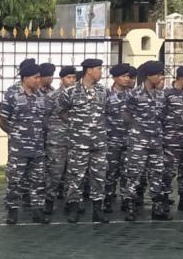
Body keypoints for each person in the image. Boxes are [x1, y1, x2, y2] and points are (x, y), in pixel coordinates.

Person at [58, 58, 109, 224]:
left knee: (99, 176)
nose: (101, 72)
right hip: (78, 143)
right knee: (75, 177)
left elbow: (107, 112)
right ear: (89, 71)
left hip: (99, 143)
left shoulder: (103, 91)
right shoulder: (71, 91)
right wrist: (75, 126)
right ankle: (74, 208)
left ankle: (98, 210)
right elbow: (61, 111)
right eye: (99, 69)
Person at [0, 60, 48, 225]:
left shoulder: (41, 96)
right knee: (15, 180)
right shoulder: (13, 95)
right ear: (25, 78)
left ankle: (37, 210)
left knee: (38, 180)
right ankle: (12, 211)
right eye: (35, 77)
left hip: (38, 148)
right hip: (19, 148)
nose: (38, 80)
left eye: (39, 77)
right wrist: (14, 135)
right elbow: (2, 120)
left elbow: (44, 119)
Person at [122, 60, 168, 222]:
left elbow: (163, 116)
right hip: (138, 142)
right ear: (149, 76)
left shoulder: (161, 95)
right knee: (134, 174)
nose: (161, 77)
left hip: (156, 141)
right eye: (158, 74)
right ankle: (130, 206)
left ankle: (157, 208)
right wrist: (136, 129)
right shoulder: (134, 94)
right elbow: (126, 115)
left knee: (157, 174)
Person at [43, 65, 77, 216]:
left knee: (73, 174)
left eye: (74, 77)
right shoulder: (52, 96)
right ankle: (49, 201)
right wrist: (51, 132)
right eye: (69, 77)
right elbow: (45, 117)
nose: (72, 80)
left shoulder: (79, 96)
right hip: (57, 141)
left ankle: (72, 202)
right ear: (62, 79)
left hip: (75, 141)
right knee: (54, 174)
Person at [161, 65, 183, 212]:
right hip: (170, 139)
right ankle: (163, 198)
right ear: (181, 78)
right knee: (168, 171)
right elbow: (160, 115)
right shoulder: (166, 94)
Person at [104, 63, 132, 213]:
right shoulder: (105, 95)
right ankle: (108, 199)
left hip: (129, 140)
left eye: (128, 76)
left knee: (128, 172)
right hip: (111, 140)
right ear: (115, 78)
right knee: (110, 172)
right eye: (123, 76)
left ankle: (127, 200)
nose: (127, 79)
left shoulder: (132, 95)